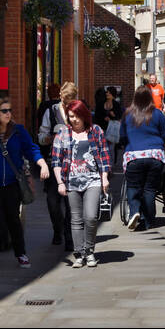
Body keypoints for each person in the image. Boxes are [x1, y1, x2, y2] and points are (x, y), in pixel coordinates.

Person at [0, 97, 49, 271]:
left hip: (13, 184)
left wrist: (41, 163)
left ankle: (21, 253)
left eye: (10, 110)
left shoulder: (18, 131)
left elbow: (31, 149)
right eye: (4, 111)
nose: (8, 114)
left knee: (13, 219)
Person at [52, 100, 111, 267]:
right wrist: (59, 183)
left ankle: (90, 251)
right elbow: (56, 161)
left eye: (77, 116)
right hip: (71, 181)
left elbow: (105, 155)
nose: (74, 120)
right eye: (71, 116)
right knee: (76, 219)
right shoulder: (62, 134)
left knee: (91, 217)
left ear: (84, 115)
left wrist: (104, 177)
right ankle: (79, 253)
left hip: (93, 180)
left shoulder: (96, 131)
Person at [122, 86, 165, 231]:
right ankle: (149, 221)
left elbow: (122, 137)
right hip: (154, 156)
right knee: (149, 189)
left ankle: (135, 211)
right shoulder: (157, 114)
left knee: (133, 186)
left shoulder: (127, 114)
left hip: (133, 156)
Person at [37, 83, 77, 251]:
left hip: (74, 163)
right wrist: (48, 138)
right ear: (61, 97)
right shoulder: (51, 111)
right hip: (54, 161)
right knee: (52, 201)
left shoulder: (78, 110)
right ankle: (57, 229)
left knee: (70, 203)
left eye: (71, 101)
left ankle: (69, 237)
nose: (68, 105)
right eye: (65, 101)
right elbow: (41, 135)